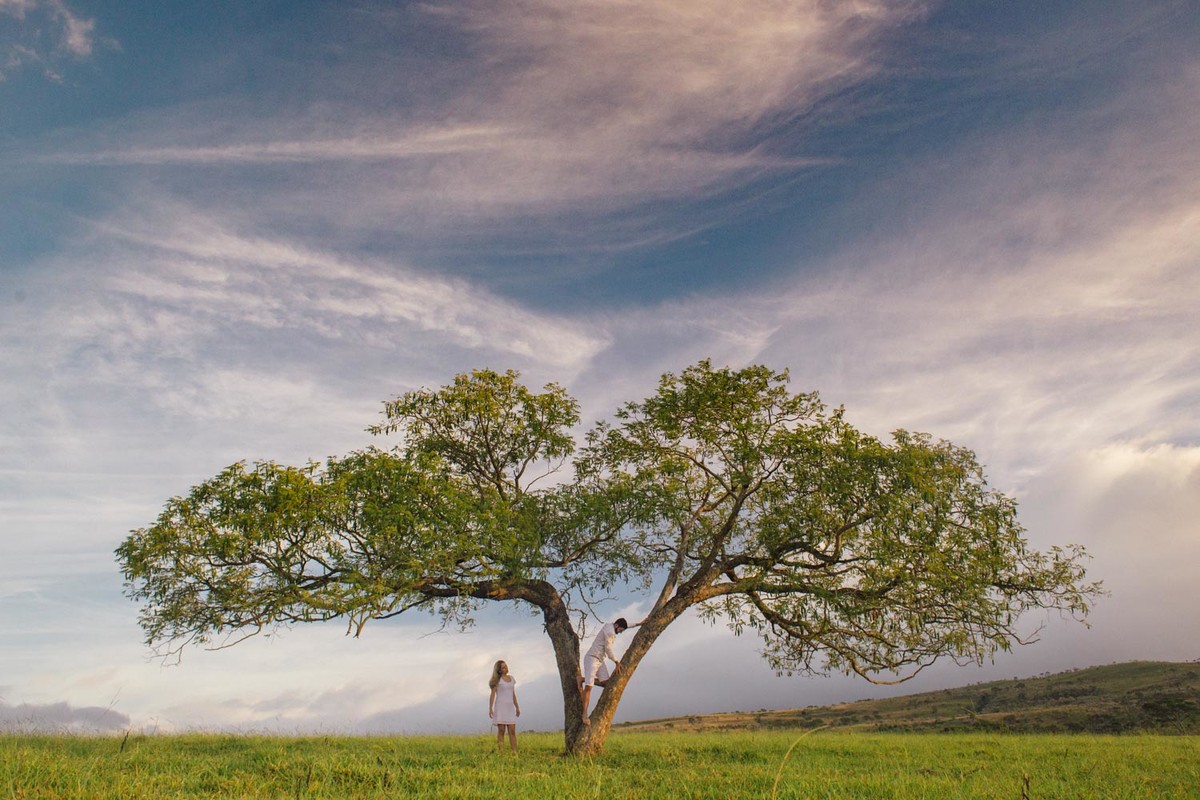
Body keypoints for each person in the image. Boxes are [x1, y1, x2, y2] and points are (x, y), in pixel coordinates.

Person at [579, 617, 639, 725]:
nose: (619, 633)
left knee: (607, 684)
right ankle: (584, 715)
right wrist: (616, 662)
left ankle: (583, 679)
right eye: (620, 630)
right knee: (589, 687)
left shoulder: (610, 624)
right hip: (592, 658)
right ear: (616, 626)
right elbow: (608, 649)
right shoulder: (610, 632)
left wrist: (638, 623)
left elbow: (626, 624)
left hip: (600, 660)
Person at [488, 659, 521, 753]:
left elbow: (513, 694)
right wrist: (490, 708)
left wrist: (517, 707)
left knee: (512, 730)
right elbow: (493, 694)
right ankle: (501, 751)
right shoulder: (497, 680)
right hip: (500, 708)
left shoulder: (512, 679)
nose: (506, 668)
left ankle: (514, 751)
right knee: (501, 730)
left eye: (506, 666)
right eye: (503, 667)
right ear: (499, 670)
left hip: (510, 708)